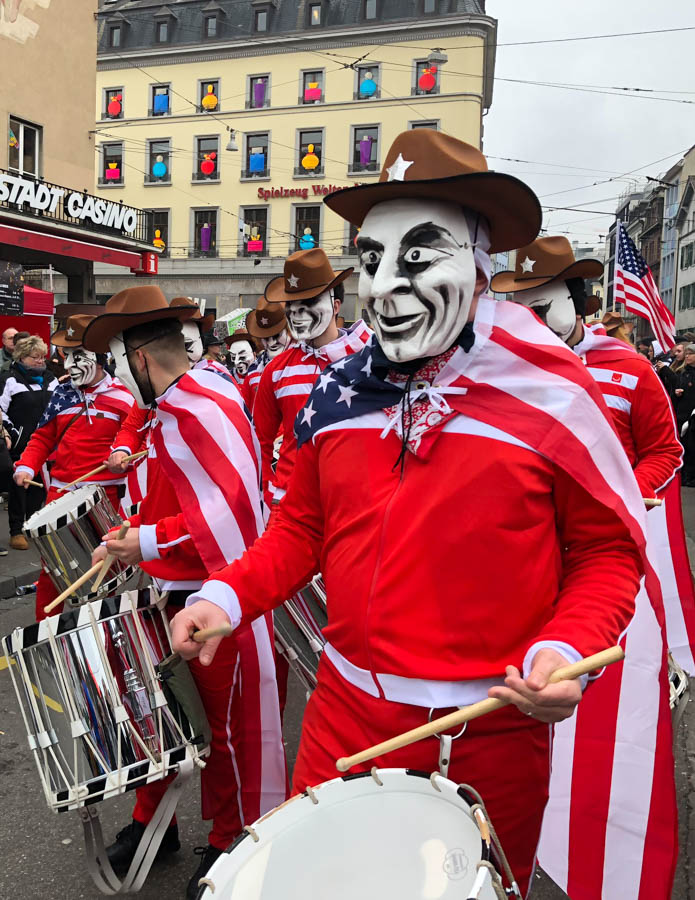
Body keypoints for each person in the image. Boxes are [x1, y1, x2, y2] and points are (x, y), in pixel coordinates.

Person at [171, 130, 645, 895]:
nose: (386, 285)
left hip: (488, 732)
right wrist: (225, 596)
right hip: (342, 717)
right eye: (371, 258)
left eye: (418, 257)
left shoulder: (550, 392)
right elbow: (303, 527)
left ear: (480, 267)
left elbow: (606, 551)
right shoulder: (337, 394)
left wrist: (567, 645)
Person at [82, 287, 285, 898]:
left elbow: (229, 520)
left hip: (212, 595)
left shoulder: (202, 407)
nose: (117, 374)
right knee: (158, 715)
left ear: (139, 357)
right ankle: (155, 823)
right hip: (168, 586)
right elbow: (170, 500)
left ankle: (230, 845)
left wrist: (144, 540)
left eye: (117, 359)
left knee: (227, 733)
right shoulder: (171, 408)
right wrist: (127, 537)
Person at [490, 236, 683, 500]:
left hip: (604, 517)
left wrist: (626, 499)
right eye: (520, 312)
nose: (529, 324)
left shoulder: (631, 370)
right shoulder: (503, 369)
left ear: (577, 307)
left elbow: (663, 450)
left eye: (540, 310)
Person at [12, 314, 135, 617]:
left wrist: (123, 461)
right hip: (61, 493)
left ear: (99, 357)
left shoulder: (124, 395)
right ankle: (46, 631)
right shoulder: (61, 394)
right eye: (66, 355)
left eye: (77, 356)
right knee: (52, 569)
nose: (68, 364)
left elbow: (137, 440)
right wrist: (26, 466)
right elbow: (43, 437)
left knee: (103, 571)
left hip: (105, 496)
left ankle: (101, 632)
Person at [252, 247, 371, 513]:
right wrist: (269, 496)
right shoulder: (276, 370)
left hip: (355, 504)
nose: (296, 313)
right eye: (290, 304)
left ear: (335, 305)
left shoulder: (370, 356)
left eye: (308, 301)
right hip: (290, 507)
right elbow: (259, 441)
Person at [0, 335, 57, 550]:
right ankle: (16, 531)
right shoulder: (9, 379)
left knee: (39, 488)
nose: (41, 361)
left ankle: (32, 526)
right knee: (19, 488)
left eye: (43, 357)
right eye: (35, 357)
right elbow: (1, 411)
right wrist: (13, 434)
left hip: (46, 446)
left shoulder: (50, 378)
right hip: (20, 445)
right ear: (22, 357)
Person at [241, 296, 291, 411]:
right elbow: (247, 410)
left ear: (289, 330)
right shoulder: (253, 370)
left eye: (277, 335)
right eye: (266, 337)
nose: (271, 343)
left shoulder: (304, 363)